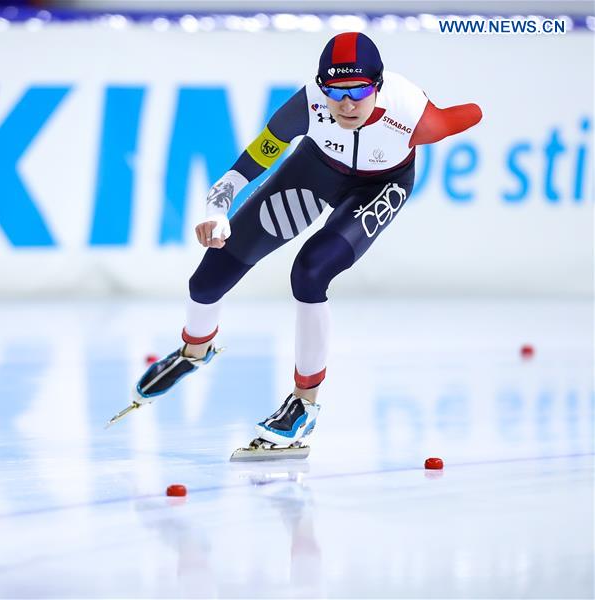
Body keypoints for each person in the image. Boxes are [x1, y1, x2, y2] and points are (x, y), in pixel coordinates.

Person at [122, 31, 482, 457]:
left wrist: (477, 109)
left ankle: (303, 405)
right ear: (320, 86)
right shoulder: (308, 103)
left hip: (382, 185)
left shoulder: (416, 116)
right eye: (335, 91)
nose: (346, 104)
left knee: (310, 272)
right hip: (315, 170)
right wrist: (215, 208)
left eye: (359, 91)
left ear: (378, 86)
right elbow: (246, 165)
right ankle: (194, 351)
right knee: (209, 276)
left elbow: (469, 115)